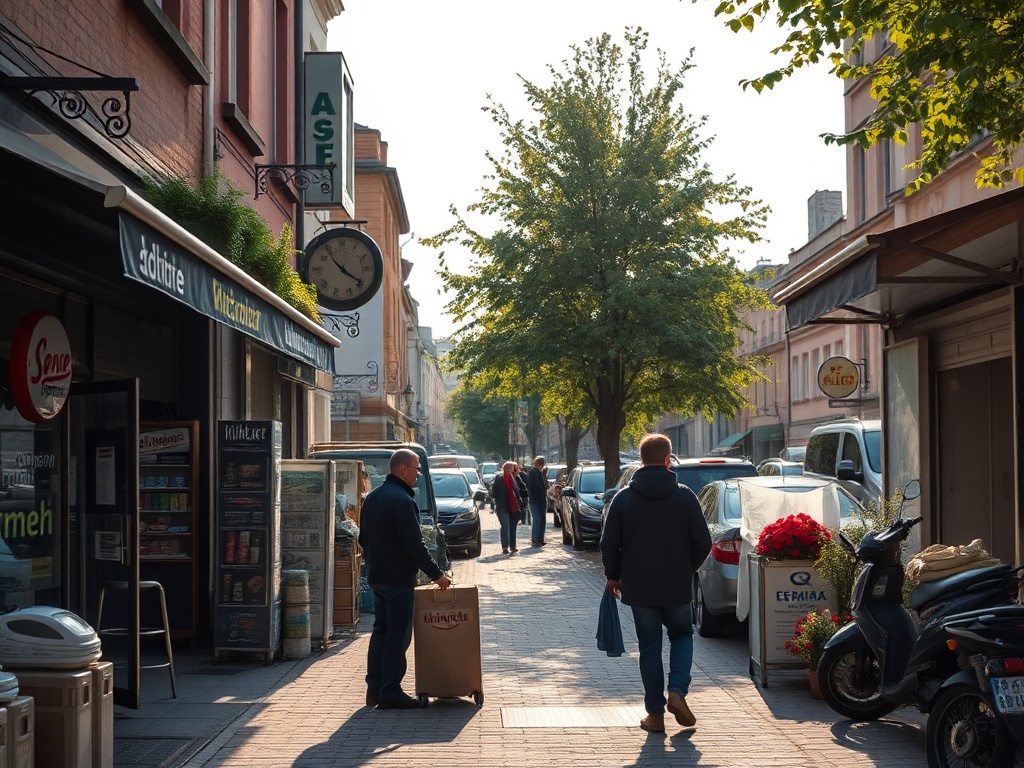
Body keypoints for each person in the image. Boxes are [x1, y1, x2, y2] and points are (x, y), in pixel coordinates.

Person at [600, 433, 712, 734]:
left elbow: (608, 543)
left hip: (639, 587)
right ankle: (677, 690)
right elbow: (703, 541)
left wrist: (613, 574)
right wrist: (687, 569)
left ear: (640, 461)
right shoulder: (685, 496)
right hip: (677, 585)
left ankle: (655, 716)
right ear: (667, 460)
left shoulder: (624, 498)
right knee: (682, 635)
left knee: (649, 648)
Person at [358, 448, 451, 710]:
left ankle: (374, 689)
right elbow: (415, 545)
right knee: (397, 637)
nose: (418, 473)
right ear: (402, 470)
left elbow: (362, 539)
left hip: (376, 576)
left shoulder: (374, 497)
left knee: (381, 633)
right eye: (416, 468)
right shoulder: (402, 500)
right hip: (398, 581)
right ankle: (390, 692)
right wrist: (437, 574)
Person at [491, 461, 525, 554]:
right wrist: (498, 500)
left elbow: (520, 489)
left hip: (513, 506)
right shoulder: (499, 478)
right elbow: (494, 492)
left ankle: (513, 546)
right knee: (505, 525)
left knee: (513, 527)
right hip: (502, 506)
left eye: (512, 468)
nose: (511, 470)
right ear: (505, 468)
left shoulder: (514, 478)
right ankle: (505, 547)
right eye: (510, 468)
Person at [526, 456, 549, 547]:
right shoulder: (533, 472)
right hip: (535, 499)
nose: (542, 466)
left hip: (542, 499)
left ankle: (540, 539)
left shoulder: (541, 472)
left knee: (542, 519)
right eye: (541, 464)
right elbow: (536, 486)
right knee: (537, 519)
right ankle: (535, 539)